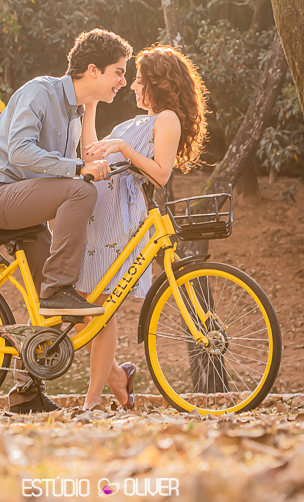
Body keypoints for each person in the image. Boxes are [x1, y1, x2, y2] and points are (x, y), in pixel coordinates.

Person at [0, 28, 133, 412]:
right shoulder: (40, 92)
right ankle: (58, 288)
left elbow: (64, 175)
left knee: (55, 309)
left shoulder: (76, 113)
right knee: (82, 190)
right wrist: (79, 169)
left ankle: (26, 396)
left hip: (25, 205)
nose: (123, 82)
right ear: (93, 70)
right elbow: (21, 153)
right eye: (119, 72)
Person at [75, 44, 208, 411]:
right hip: (96, 216)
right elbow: (91, 154)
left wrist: (123, 148)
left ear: (158, 83)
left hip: (119, 219)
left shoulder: (167, 119)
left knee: (99, 310)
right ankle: (118, 378)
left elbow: (161, 174)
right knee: (82, 309)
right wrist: (90, 108)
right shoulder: (133, 123)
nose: (132, 86)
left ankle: (92, 402)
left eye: (139, 80)